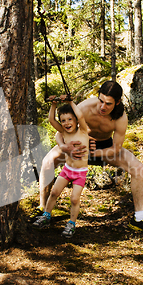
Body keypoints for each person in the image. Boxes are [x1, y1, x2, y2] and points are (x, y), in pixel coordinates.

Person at [34, 81, 143, 236]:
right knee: (47, 162)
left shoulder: (120, 118)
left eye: (108, 104)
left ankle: (139, 218)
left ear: (117, 102)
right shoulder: (85, 107)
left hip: (104, 148)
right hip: (77, 145)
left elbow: (116, 148)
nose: (102, 107)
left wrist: (93, 154)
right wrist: (65, 146)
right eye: (101, 101)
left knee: (137, 168)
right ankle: (43, 208)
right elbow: (60, 131)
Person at [33, 95, 89, 238]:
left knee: (75, 199)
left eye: (70, 119)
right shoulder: (64, 132)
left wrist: (70, 102)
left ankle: (71, 224)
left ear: (76, 120)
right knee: (53, 193)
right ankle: (46, 216)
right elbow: (51, 120)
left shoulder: (82, 130)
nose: (66, 123)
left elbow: (81, 116)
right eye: (63, 120)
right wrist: (53, 104)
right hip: (67, 170)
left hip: (80, 172)